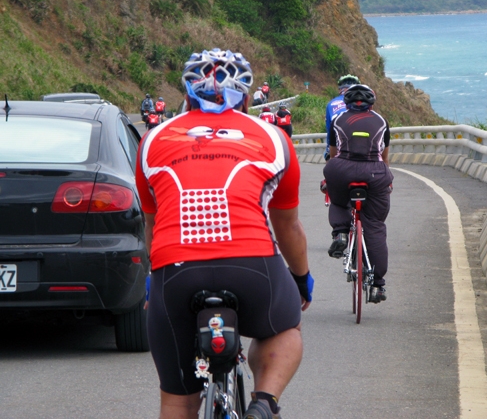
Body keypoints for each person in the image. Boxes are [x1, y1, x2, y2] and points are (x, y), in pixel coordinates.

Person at [135, 48, 313, 419]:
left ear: (185, 95)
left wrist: (155, 278)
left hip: (175, 271)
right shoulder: (274, 138)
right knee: (285, 329)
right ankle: (263, 404)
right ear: (247, 98)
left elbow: (152, 225)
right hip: (252, 267)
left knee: (177, 401)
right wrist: (300, 279)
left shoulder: (151, 140)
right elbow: (288, 226)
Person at [323, 84, 392, 304]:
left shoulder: (338, 121)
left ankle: (341, 233)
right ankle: (378, 285)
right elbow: (384, 156)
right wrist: (386, 182)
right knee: (375, 224)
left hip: (342, 170)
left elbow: (334, 154)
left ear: (347, 103)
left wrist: (330, 181)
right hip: (375, 173)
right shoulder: (382, 122)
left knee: (338, 199)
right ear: (372, 103)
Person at [324, 74, 360, 160]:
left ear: (340, 89)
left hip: (339, 145)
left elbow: (329, 130)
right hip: (360, 145)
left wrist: (328, 152)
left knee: (330, 166)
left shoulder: (330, 104)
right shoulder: (361, 102)